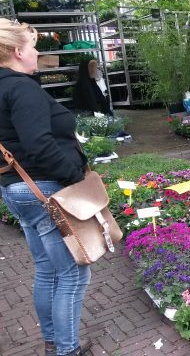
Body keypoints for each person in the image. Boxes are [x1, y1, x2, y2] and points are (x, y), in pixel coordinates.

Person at [0, 19, 91, 356]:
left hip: (17, 189)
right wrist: (74, 175)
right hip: (44, 191)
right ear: (17, 51)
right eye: (33, 46)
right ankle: (67, 350)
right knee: (73, 273)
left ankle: (54, 340)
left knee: (48, 268)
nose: (38, 52)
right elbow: (40, 145)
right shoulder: (21, 88)